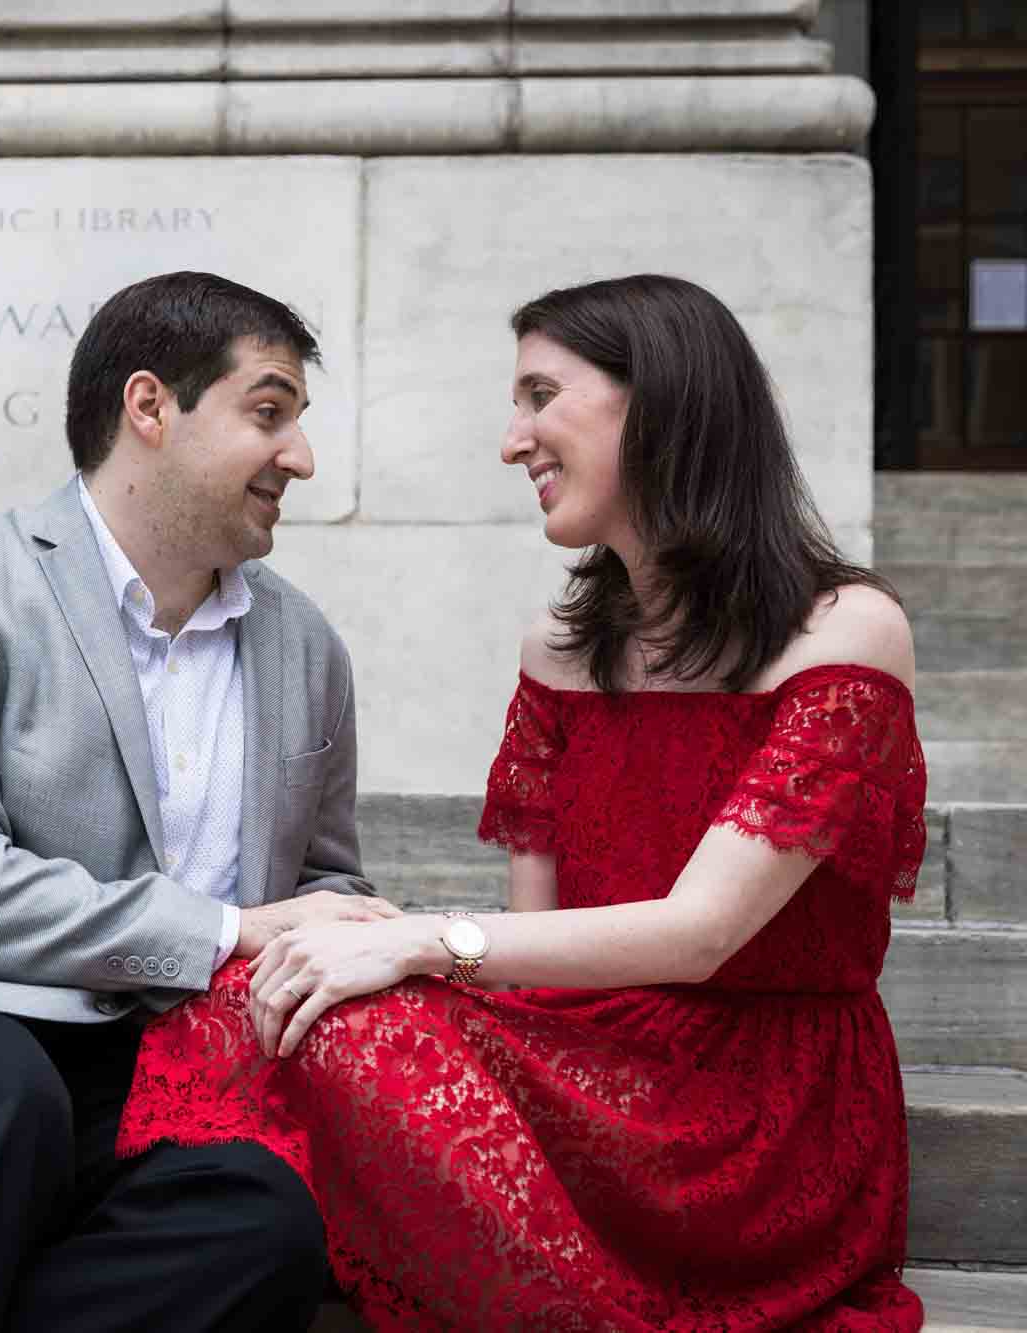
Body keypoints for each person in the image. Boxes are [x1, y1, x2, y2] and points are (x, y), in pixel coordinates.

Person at [118, 273, 928, 1331]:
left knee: (351, 1014)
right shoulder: (557, 650)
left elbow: (699, 934)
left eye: (540, 395)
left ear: (661, 401)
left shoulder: (846, 631)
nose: (514, 440)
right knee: (265, 988)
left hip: (756, 1116)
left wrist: (415, 945)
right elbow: (541, 952)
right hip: (593, 1066)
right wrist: (369, 961)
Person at [0, 270, 402, 1333]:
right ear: (149, 407)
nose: (300, 459)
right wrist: (231, 929)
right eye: (267, 414)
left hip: (149, 1075)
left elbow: (320, 881)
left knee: (267, 1219)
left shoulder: (306, 648)